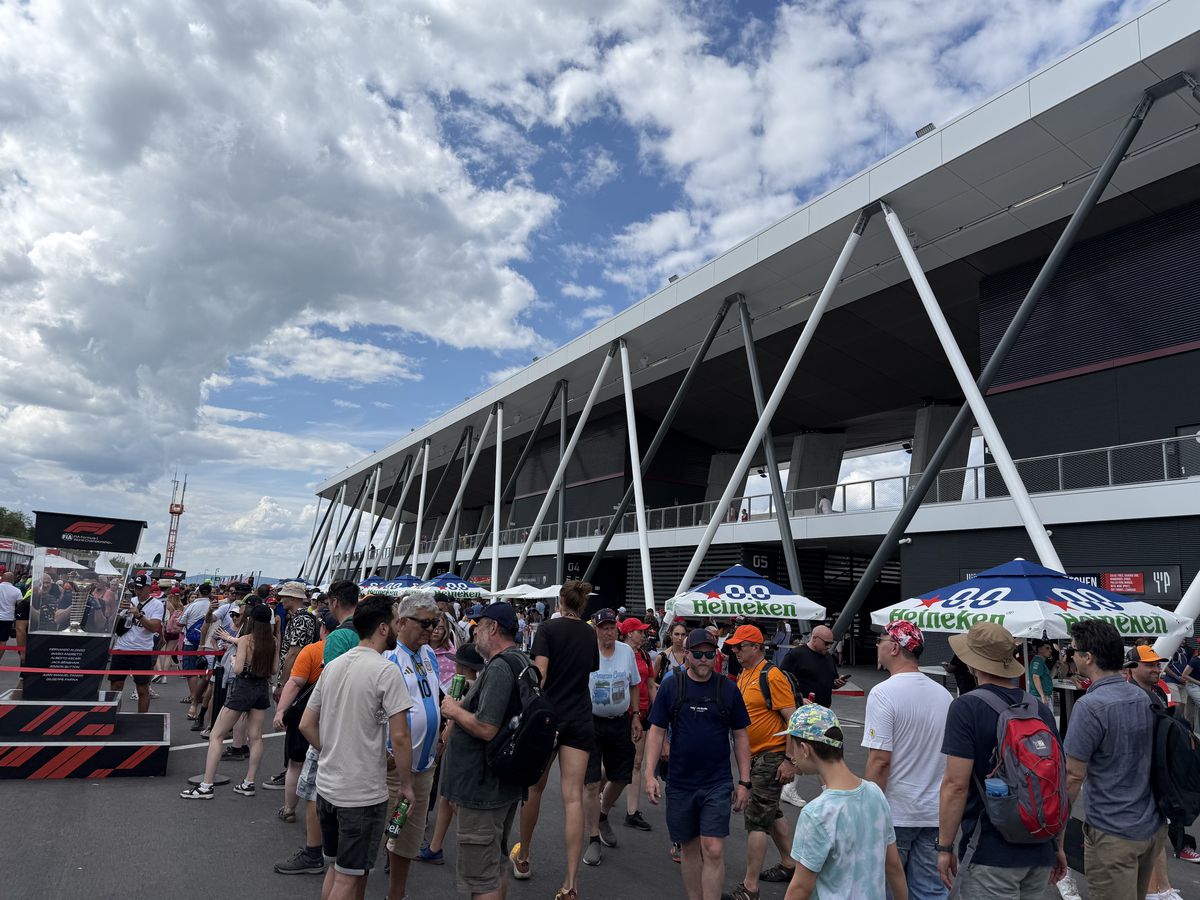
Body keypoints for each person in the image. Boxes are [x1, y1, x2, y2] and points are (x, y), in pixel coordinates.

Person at [937, 622, 1066, 898]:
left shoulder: (966, 707)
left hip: (990, 853)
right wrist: (1057, 845)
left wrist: (944, 847)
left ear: (973, 664)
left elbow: (955, 785)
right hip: (1039, 847)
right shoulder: (1037, 708)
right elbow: (1058, 782)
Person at [300, 595, 415, 900]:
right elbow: (401, 736)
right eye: (394, 622)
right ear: (382, 628)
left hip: (328, 786)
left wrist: (333, 749)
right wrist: (407, 784)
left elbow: (306, 723)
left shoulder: (335, 664)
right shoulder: (386, 671)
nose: (397, 627)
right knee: (348, 879)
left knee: (338, 870)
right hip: (361, 795)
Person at [644, 628, 752, 900]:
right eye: (698, 654)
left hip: (717, 782)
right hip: (680, 782)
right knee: (690, 849)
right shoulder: (672, 685)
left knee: (713, 848)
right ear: (687, 655)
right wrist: (649, 774)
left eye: (709, 653)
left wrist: (744, 781)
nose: (704, 659)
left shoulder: (728, 688)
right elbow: (656, 731)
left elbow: (740, 736)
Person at [510, 580, 599, 900]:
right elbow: (588, 670)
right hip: (579, 717)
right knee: (573, 797)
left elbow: (540, 676)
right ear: (582, 604)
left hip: (548, 719)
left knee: (534, 787)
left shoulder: (547, 630)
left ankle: (523, 857)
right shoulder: (590, 633)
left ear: (560, 601)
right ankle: (571, 882)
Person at [1064, 620, 1166, 900]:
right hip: (1150, 825)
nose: (1070, 656)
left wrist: (1057, 833)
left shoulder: (1089, 706)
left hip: (1112, 831)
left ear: (1088, 657)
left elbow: (1073, 776)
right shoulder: (1143, 696)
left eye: (1072, 650)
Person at [440, 602, 529, 900]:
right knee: (494, 864)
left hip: (483, 788)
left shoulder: (501, 668)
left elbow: (486, 727)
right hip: (502, 782)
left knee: (481, 878)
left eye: (479, 627)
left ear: (493, 628)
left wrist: (455, 710)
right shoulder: (520, 662)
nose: (474, 632)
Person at [272, 583, 360, 877]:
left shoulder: (337, 639)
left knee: (312, 786)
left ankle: (314, 852)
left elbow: (324, 685)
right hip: (356, 726)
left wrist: (285, 708)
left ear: (334, 602)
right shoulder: (365, 635)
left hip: (328, 721)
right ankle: (336, 849)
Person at [779, 704, 908, 900]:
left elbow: (800, 888)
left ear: (804, 749)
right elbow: (893, 866)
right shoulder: (875, 793)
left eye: (793, 746)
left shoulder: (816, 813)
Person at [863, 621, 953, 900]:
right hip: (935, 813)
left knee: (886, 889)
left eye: (880, 640)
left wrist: (866, 810)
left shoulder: (883, 693)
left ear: (893, 647)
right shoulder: (944, 695)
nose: (877, 645)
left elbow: (879, 761)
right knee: (929, 891)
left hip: (896, 813)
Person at [724, 624, 798, 900]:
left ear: (756, 647)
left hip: (772, 754)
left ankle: (750, 887)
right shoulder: (745, 673)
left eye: (740, 646)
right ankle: (790, 863)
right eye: (733, 646)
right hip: (755, 756)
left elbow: (793, 720)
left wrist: (789, 760)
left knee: (757, 819)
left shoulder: (772, 675)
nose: (735, 651)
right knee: (771, 811)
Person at [180, 603, 276, 799]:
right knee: (256, 737)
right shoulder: (273, 640)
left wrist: (233, 662)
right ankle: (249, 782)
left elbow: (239, 669)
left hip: (243, 688)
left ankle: (206, 786)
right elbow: (274, 670)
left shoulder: (246, 640)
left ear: (252, 620)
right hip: (261, 689)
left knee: (217, 734)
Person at [382, 592, 443, 900]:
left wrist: (441, 736)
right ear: (402, 622)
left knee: (407, 838)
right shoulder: (389, 657)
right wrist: (384, 752)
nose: (431, 630)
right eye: (425, 624)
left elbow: (434, 699)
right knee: (378, 834)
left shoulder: (428, 654)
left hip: (424, 766)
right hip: (394, 767)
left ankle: (397, 894)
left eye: (434, 623)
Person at [1124, 645, 1188, 899]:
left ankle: (1162, 887)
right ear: (1131, 668)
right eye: (1149, 664)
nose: (1156, 668)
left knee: (1157, 834)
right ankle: (1154, 890)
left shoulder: (1159, 691)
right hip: (1139, 779)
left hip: (1160, 774)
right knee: (1146, 837)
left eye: (1157, 663)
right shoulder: (1128, 696)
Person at [582, 608, 642, 867]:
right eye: (604, 627)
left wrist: (637, 716)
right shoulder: (586, 652)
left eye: (612, 627)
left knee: (621, 776)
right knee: (592, 783)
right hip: (591, 723)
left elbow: (634, 684)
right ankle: (593, 837)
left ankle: (603, 814)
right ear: (595, 629)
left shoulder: (626, 652)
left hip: (620, 722)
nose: (608, 631)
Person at [419, 641, 487, 866]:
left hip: (459, 748)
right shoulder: (480, 684)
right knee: (447, 797)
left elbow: (452, 718)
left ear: (461, 666)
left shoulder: (461, 686)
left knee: (455, 800)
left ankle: (480, 839)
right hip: (472, 748)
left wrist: (441, 743)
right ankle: (435, 846)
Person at [272, 613, 333, 824]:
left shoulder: (312, 650)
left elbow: (295, 682)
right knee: (327, 762)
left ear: (323, 629)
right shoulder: (350, 650)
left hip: (306, 712)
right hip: (332, 713)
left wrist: (281, 710)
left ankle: (289, 808)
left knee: (295, 763)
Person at [263, 581, 319, 792]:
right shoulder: (305, 618)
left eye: (285, 596)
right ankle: (292, 770)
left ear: (294, 598)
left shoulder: (301, 620)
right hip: (303, 679)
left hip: (298, 679)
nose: (281, 600)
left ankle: (291, 772)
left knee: (293, 727)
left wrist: (284, 683)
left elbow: (294, 653)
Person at [620, 614, 657, 832]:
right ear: (629, 634)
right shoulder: (619, 654)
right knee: (617, 762)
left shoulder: (644, 655)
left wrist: (659, 710)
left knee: (636, 762)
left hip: (641, 713)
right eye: (639, 631)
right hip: (620, 713)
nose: (643, 634)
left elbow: (651, 684)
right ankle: (599, 790)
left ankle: (632, 812)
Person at [108, 575, 164, 713]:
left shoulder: (157, 605)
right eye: (135, 587)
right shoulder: (130, 601)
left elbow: (154, 628)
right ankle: (113, 714)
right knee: (116, 685)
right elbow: (111, 625)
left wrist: (139, 615)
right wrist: (118, 612)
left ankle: (142, 718)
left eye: (140, 588)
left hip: (142, 650)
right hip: (121, 648)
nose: (137, 591)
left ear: (149, 588)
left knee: (142, 688)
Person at [780, 625, 847, 708]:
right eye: (826, 643)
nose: (829, 646)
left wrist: (838, 683)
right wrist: (797, 698)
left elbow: (831, 682)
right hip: (802, 710)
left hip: (823, 710)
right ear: (814, 638)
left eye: (831, 643)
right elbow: (780, 682)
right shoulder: (796, 654)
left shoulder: (828, 657)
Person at [181, 584, 216, 721]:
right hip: (209, 643)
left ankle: (194, 696)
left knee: (191, 670)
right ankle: (198, 696)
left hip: (191, 641)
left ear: (198, 592)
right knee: (204, 671)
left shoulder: (191, 606)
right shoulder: (214, 606)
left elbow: (180, 622)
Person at [1028, 641, 1054, 705]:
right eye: (1047, 648)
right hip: (1040, 696)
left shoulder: (1041, 661)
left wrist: (1055, 667)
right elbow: (1035, 677)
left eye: (1050, 648)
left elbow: (1049, 677)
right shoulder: (1038, 661)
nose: (1050, 650)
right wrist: (1042, 696)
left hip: (1043, 695)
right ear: (1039, 649)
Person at [0, 571, 22, 644]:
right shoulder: (17, 591)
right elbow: (20, 605)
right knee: (3, 640)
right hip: (8, 618)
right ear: (13, 579)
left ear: (2, 578)